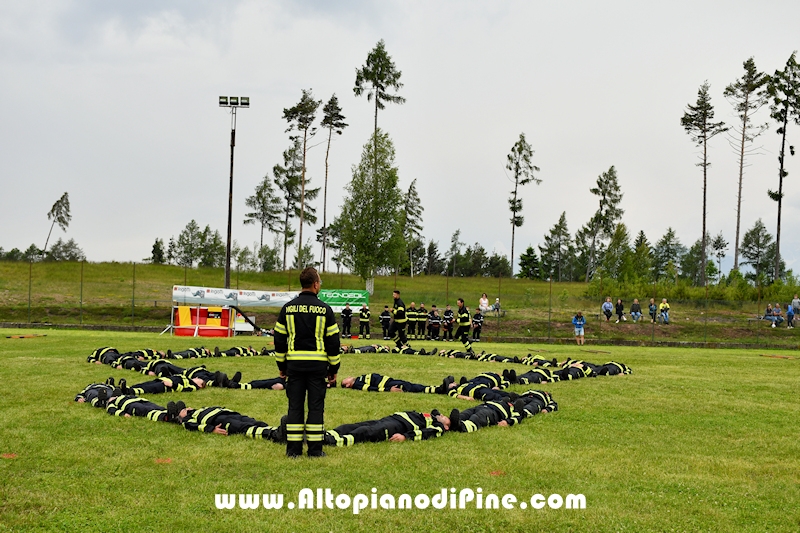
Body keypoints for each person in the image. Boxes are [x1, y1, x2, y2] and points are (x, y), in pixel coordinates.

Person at [273, 267, 340, 458]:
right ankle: (315, 450)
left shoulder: (288, 308)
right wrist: (333, 368)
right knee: (315, 407)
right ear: (315, 284)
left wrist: (282, 366)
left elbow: (279, 340)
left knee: (295, 407)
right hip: (317, 367)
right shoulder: (325, 310)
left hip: (294, 366)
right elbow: (333, 342)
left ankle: (293, 451)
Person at [324, 409, 453, 446]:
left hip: (398, 426)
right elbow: (435, 411)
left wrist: (405, 437)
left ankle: (334, 441)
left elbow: (425, 433)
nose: (442, 415)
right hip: (391, 419)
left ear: (446, 427)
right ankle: (327, 434)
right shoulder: (432, 416)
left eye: (445, 417)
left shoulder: (438, 427)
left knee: (367, 432)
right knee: (355, 425)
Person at [452, 399, 525, 433]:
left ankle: (463, 427)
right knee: (465, 413)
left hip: (493, 412)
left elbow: (517, 418)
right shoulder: (501, 401)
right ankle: (453, 422)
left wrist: (507, 422)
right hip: (482, 406)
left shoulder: (513, 410)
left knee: (478, 417)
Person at [340, 373, 454, 394]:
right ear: (347, 385)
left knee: (411, 385)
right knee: (411, 387)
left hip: (389, 381)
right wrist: (389, 390)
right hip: (388, 385)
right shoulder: (357, 385)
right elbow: (371, 388)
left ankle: (440, 388)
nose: (348, 377)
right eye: (346, 380)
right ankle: (439, 390)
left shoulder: (358, 379)